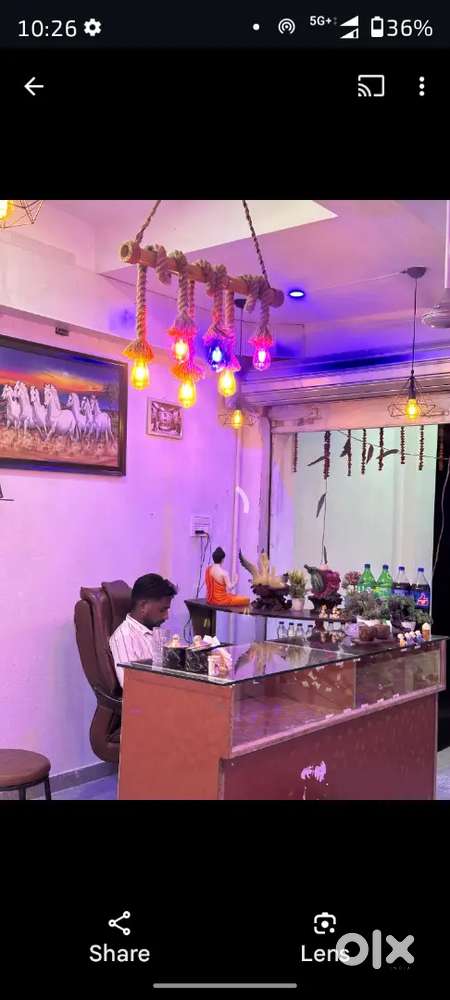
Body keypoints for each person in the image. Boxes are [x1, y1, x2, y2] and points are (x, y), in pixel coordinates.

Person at [109, 573, 177, 687]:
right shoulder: (125, 637)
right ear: (143, 606)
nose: (166, 616)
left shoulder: (155, 632)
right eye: (162, 610)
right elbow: (130, 685)